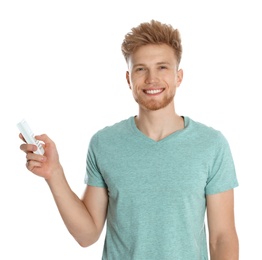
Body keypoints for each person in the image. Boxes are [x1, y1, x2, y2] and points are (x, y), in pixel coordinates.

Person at [19, 20, 239, 259]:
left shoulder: (211, 145)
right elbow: (87, 235)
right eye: (141, 69)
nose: (151, 79)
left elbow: (222, 238)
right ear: (128, 79)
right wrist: (55, 174)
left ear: (179, 77)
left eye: (162, 67)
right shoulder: (104, 144)